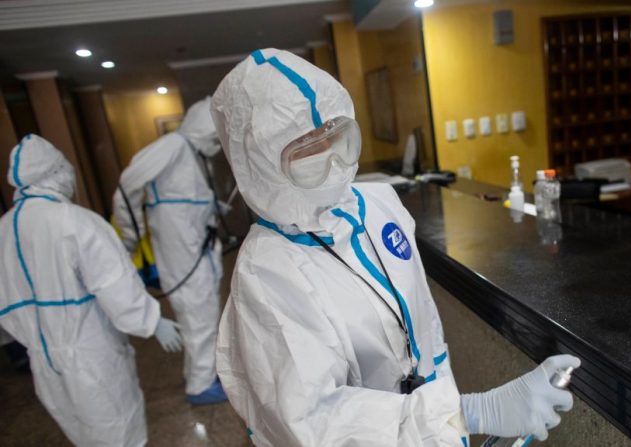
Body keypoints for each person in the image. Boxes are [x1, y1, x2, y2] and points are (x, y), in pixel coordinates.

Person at [210, 48, 581, 446]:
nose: (332, 160)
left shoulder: (379, 204)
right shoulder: (265, 273)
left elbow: (422, 327)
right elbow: (312, 420)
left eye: (336, 135)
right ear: (260, 165)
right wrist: (470, 413)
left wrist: (447, 421)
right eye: (305, 150)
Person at [0, 134, 182, 446]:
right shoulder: (74, 222)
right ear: (55, 173)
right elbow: (114, 284)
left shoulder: (3, 230)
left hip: (43, 362)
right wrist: (151, 321)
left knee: (82, 433)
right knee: (119, 431)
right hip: (91, 353)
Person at [113, 97, 227, 405]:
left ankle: (199, 373)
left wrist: (213, 207)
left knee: (202, 314)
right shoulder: (174, 145)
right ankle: (200, 386)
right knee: (198, 314)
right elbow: (127, 184)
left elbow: (189, 199)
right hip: (182, 255)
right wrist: (130, 234)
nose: (218, 142)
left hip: (197, 251)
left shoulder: (195, 155)